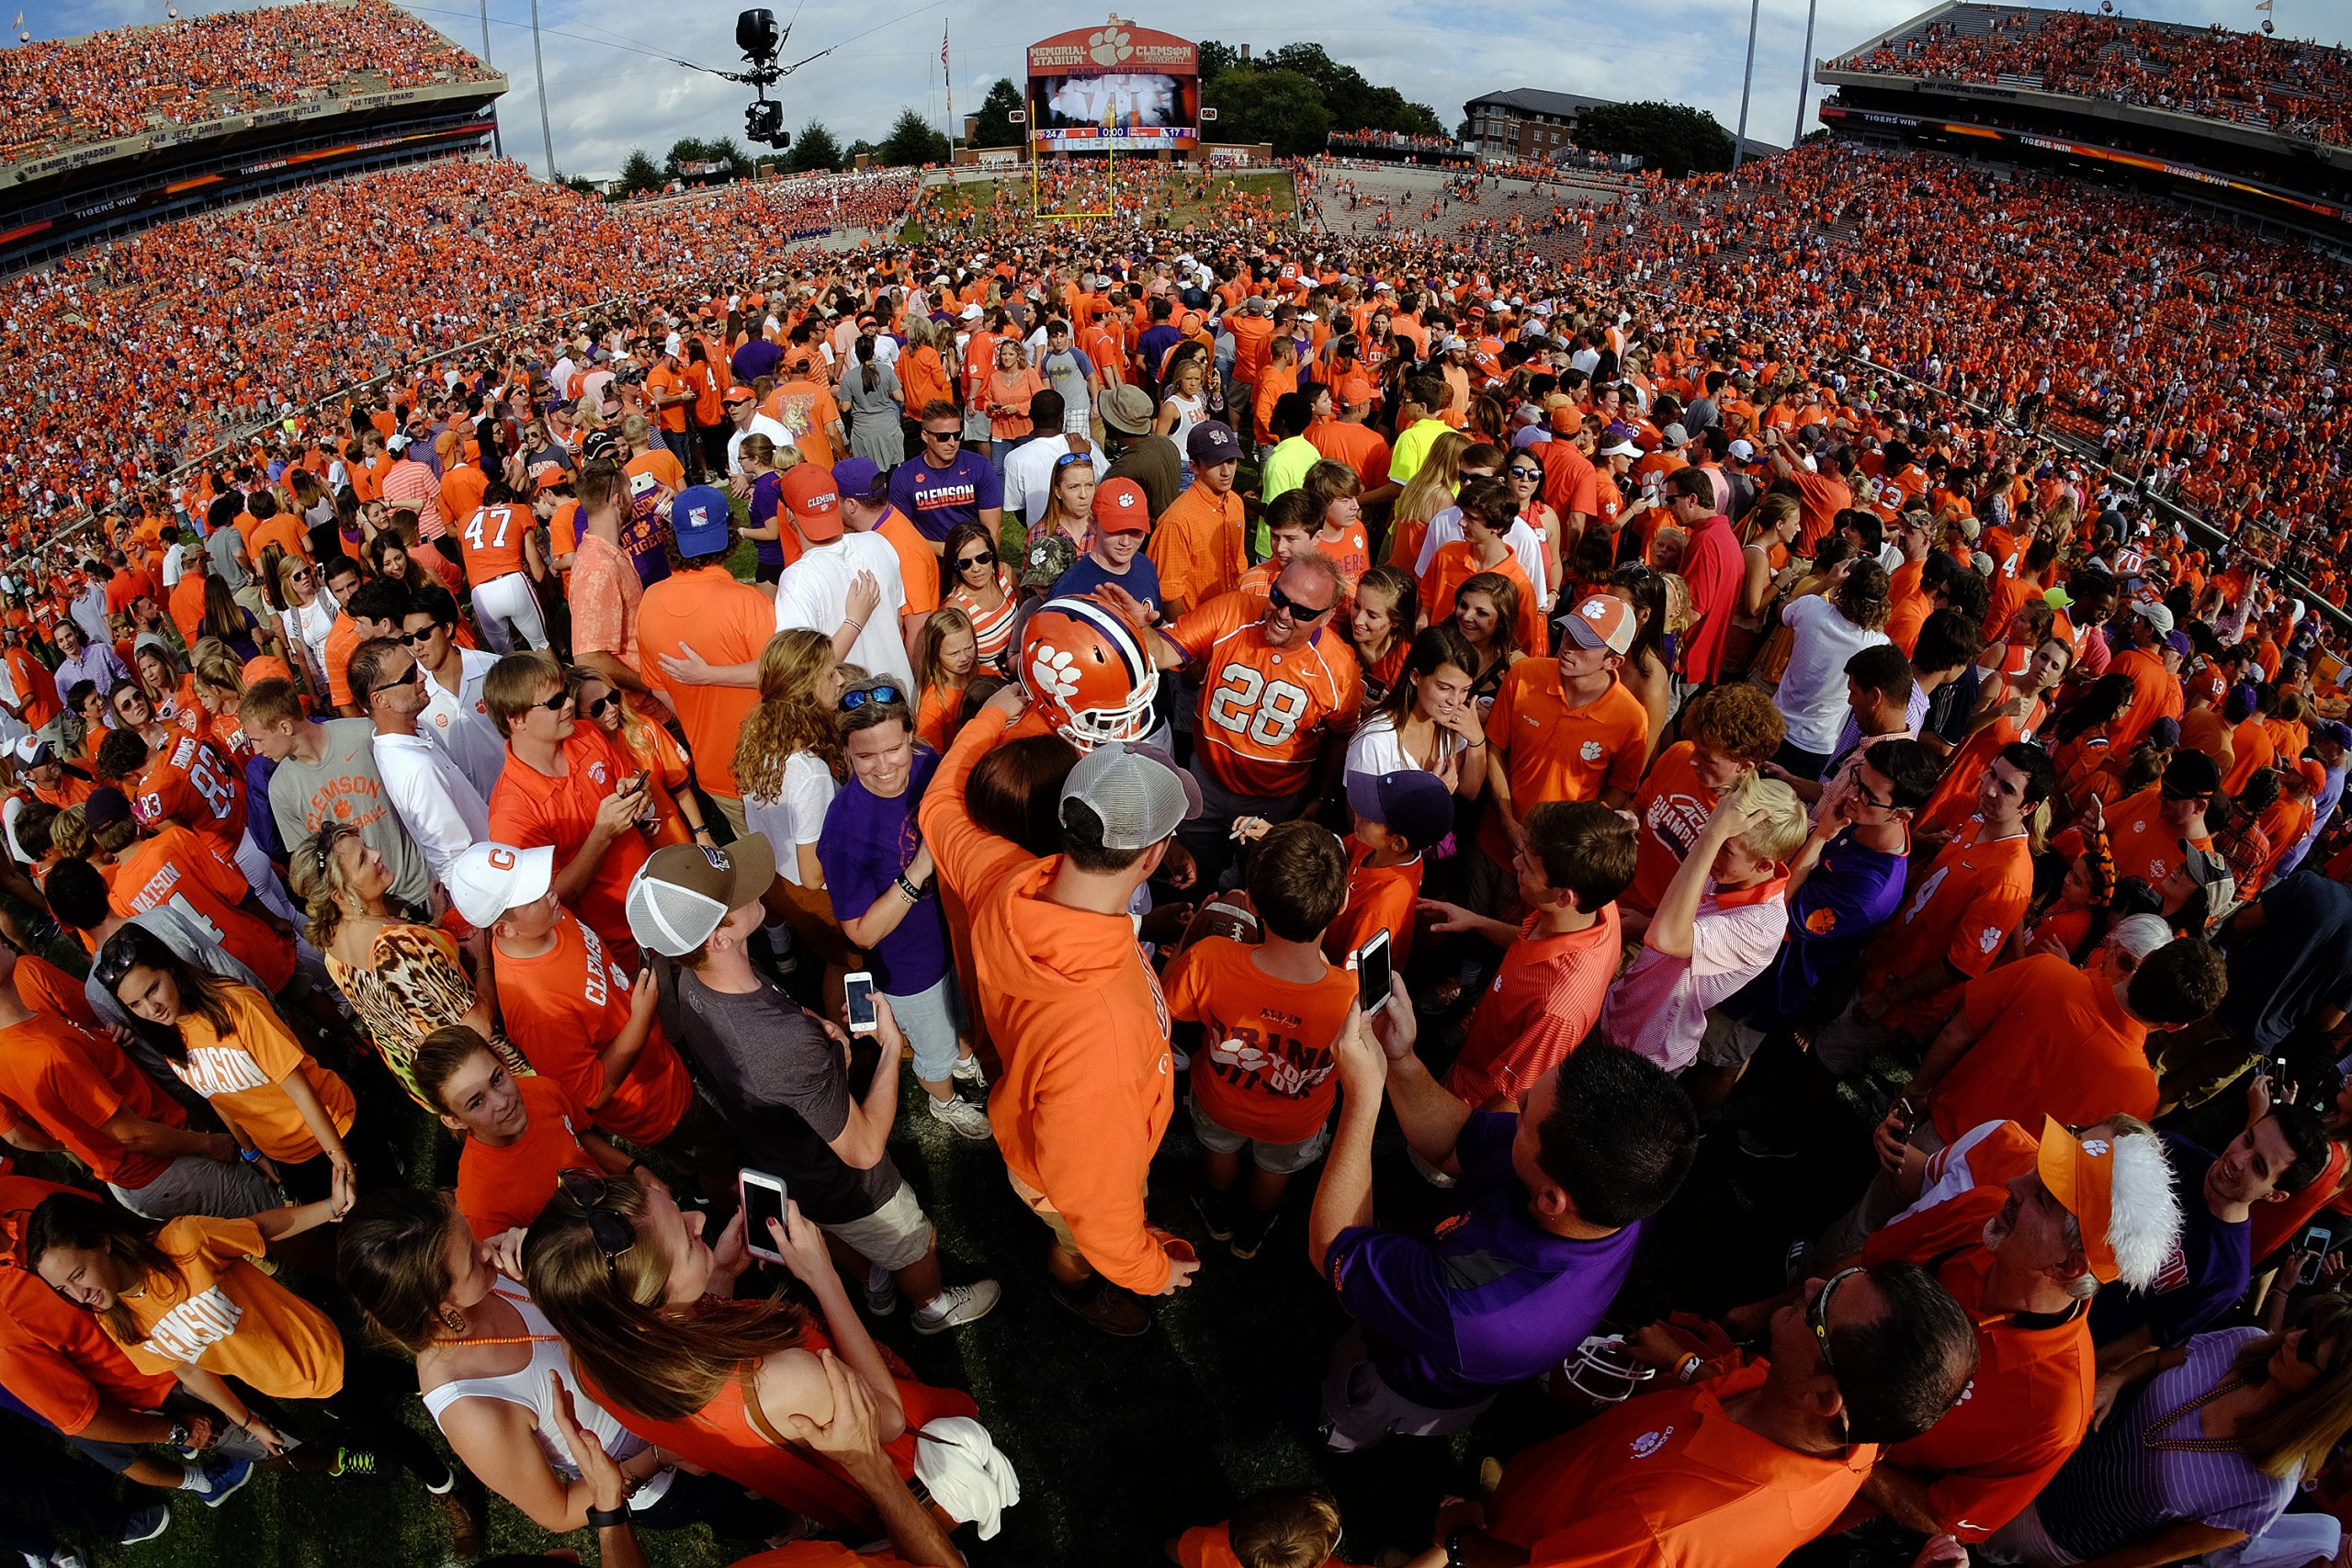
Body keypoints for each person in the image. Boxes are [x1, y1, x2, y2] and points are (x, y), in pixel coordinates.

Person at [624, 838, 999, 1334]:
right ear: (719, 937)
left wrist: (818, 1039)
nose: (754, 883)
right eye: (734, 890)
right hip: (850, 1184)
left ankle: (877, 1288)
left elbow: (771, 1027)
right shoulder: (780, 1046)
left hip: (787, 1160)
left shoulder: (693, 977)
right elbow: (864, 1151)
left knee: (836, 1235)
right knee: (914, 1243)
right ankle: (933, 1307)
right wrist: (888, 1047)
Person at [921, 694, 1201, 1336]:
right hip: (1067, 1172)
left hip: (1031, 1104)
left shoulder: (1002, 875)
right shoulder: (1102, 1033)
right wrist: (1152, 1270)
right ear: (1151, 857)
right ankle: (1073, 1290)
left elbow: (939, 806)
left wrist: (989, 716)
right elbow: (1098, 1205)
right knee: (1076, 1241)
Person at [1310, 1012, 1700, 1451]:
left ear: (1552, 1201)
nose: (1519, 1095)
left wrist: (1361, 1102)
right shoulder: (1617, 1190)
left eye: (1525, 1114)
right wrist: (1400, 1059)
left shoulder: (1482, 1310)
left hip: (1403, 1378)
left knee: (1351, 1408)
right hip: (1447, 1317)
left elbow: (1334, 1249)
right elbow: (1458, 1139)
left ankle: (1338, 1435)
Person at [23, 1188, 481, 1550]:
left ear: (101, 1242)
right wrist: (249, 1421)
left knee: (376, 1426)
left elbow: (258, 1229)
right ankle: (434, 1381)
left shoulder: (184, 1243)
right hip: (285, 1382)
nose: (76, 1294)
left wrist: (329, 1207)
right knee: (365, 1383)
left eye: (78, 1275)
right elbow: (189, 1371)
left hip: (313, 1349)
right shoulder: (116, 1321)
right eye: (61, 1288)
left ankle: (444, 1487)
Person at [336, 1187, 798, 1540]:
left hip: (667, 1390)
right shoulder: (469, 1405)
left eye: (468, 1233)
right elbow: (555, 1512)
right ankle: (780, 1531)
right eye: (470, 1262)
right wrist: (659, 1457)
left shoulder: (499, 1271)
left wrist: (551, 1264)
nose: (486, 1250)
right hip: (659, 1475)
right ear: (441, 1311)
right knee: (737, 1506)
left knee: (766, 1462)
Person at [1450, 1263, 1978, 1568]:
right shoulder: (1851, 1439)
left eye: (1823, 1308)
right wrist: (1683, 1367)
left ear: (1823, 1398)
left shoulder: (1667, 1526)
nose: (1814, 1284)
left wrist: (1460, 1539)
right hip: (1568, 1496)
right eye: (1846, 1278)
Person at [446, 839, 741, 1194]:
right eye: (534, 894)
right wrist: (641, 1017)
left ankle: (693, 1177)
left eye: (540, 880)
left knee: (697, 1151)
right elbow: (592, 1094)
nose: (551, 891)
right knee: (719, 1155)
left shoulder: (548, 920)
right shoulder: (536, 1012)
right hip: (653, 1106)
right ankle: (724, 1205)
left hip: (662, 1067)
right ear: (504, 929)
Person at [1990, 1305, 2352, 1567]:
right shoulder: (2246, 1342)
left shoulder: (2266, 1492)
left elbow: (2154, 1553)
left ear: (2323, 1397)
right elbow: (2159, 1361)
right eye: (2304, 1327)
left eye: (2309, 1349)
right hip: (2034, 1455)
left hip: (2050, 1532)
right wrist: (2115, 1381)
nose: (2293, 1339)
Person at [1165, 820, 1356, 1260]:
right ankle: (1252, 1227)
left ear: (1250, 902)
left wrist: (1190, 938)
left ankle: (1218, 1214)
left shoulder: (1211, 960)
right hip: (1296, 1119)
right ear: (1342, 901)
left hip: (1221, 1098)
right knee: (1276, 1168)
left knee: (1220, 1149)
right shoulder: (1351, 995)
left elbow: (1168, 1005)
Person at [818, 681, 992, 1140]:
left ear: (911, 735)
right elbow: (861, 933)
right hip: (908, 969)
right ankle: (943, 1099)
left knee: (962, 1017)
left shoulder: (927, 764)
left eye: (893, 749)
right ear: (845, 753)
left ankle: (964, 1057)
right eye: (865, 756)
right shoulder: (842, 829)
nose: (884, 767)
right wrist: (919, 869)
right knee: (932, 1049)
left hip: (955, 936)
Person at [92, 926, 368, 1203]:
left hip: (334, 1130)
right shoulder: (166, 1034)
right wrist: (251, 1151)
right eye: (135, 1005)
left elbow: (300, 1089)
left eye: (153, 990)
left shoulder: (236, 1006)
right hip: (285, 1155)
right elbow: (217, 1096)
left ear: (170, 969)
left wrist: (339, 1158)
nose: (151, 1009)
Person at [292, 818, 523, 1107]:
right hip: (490, 1075)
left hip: (444, 1083)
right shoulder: (399, 948)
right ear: (340, 895)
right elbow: (479, 1027)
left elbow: (406, 991)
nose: (376, 855)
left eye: (366, 847)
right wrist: (484, 957)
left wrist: (435, 921)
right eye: (363, 859)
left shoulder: (333, 948)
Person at [1601, 779, 1809, 1074]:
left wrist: (1713, 835)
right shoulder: (1727, 871)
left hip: (1646, 1051)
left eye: (1726, 846)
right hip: (1621, 1008)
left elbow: (1667, 937)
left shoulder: (1762, 926)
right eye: (1715, 828)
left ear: (1764, 865)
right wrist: (1645, 923)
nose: (1710, 846)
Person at [1471, 594, 1650, 915]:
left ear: (1613, 661)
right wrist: (1507, 820)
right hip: (1492, 841)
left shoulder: (1631, 718)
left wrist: (1573, 840)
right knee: (1474, 923)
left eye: (1584, 643)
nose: (1568, 647)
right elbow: (1495, 747)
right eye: (1568, 633)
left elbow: (1622, 788)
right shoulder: (1524, 675)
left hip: (1552, 872)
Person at [484, 649, 655, 968]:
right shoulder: (511, 814)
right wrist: (602, 835)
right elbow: (549, 900)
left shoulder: (586, 734)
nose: (567, 704)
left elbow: (628, 779)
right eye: (553, 702)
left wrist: (637, 792)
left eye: (564, 694)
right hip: (619, 946)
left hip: (659, 900)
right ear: (516, 719)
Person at [245, 676, 432, 913]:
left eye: (258, 740)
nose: (257, 750)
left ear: (285, 727)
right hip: (372, 912)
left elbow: (421, 795)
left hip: (425, 884)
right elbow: (316, 870)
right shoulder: (281, 789)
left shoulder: (363, 735)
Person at [348, 635, 488, 887]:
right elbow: (451, 859)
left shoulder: (403, 737)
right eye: (410, 675)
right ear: (380, 699)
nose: (423, 676)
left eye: (417, 667)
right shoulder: (416, 768)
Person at [773, 469, 914, 688]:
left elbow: (805, 669)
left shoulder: (798, 578)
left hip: (852, 711)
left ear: (790, 515)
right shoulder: (878, 543)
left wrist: (853, 622)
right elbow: (897, 620)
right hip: (900, 695)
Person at [400, 583, 506, 801]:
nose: (416, 646)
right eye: (408, 639)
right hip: (470, 812)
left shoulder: (494, 670)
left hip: (517, 799)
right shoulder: (413, 695)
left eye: (422, 635)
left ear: (447, 629)